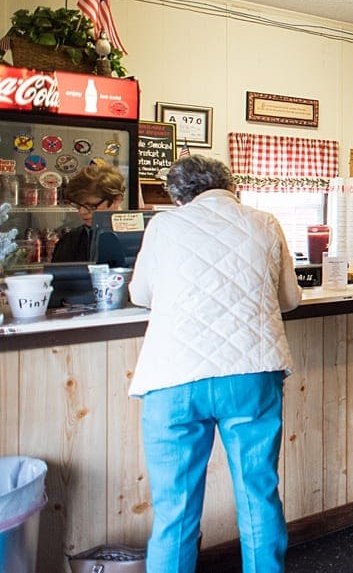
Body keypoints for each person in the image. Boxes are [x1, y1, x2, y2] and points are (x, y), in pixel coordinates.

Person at [127, 155, 302, 573]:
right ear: (230, 185)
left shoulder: (164, 226)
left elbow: (140, 293)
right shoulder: (264, 222)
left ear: (178, 194)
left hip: (174, 377)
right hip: (251, 372)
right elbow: (290, 300)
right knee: (258, 494)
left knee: (175, 509)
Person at [51, 164, 126, 263]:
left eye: (91, 206)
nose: (82, 212)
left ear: (116, 199)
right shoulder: (70, 241)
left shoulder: (146, 236)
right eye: (78, 205)